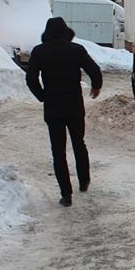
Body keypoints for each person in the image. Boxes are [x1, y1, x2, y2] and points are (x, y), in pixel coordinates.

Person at [26, 17, 103, 207]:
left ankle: (66, 194)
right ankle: (84, 180)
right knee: (79, 143)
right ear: (65, 32)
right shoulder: (76, 49)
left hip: (53, 108)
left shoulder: (39, 51)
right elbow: (94, 70)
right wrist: (96, 86)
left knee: (58, 151)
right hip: (74, 106)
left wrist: (42, 95)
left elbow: (30, 78)